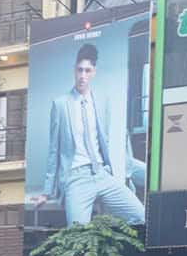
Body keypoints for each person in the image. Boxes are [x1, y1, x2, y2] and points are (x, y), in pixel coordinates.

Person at [35, 43, 146, 226]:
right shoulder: (60, 104)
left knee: (140, 216)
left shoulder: (102, 100)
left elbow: (105, 140)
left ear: (94, 72)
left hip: (102, 173)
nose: (82, 76)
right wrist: (47, 191)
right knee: (78, 234)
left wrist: (115, 170)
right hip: (76, 178)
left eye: (87, 71)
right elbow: (54, 150)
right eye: (79, 70)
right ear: (74, 70)